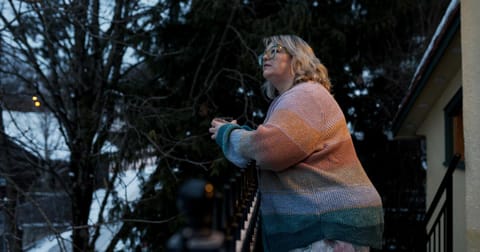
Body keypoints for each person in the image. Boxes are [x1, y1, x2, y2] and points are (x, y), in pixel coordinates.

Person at [209, 35, 383, 252]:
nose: (265, 57)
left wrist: (230, 134)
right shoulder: (296, 97)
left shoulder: (306, 94)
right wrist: (240, 135)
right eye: (263, 54)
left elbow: (271, 150)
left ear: (297, 58)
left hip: (326, 227)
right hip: (326, 222)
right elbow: (274, 145)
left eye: (275, 50)